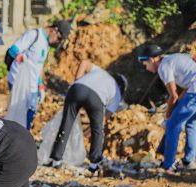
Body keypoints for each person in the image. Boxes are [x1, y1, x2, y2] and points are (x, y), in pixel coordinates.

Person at [47, 60, 127, 171]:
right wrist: (89, 132)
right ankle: (94, 163)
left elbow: (84, 62)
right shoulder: (117, 93)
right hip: (96, 98)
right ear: (122, 87)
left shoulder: (100, 71)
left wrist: (78, 80)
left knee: (66, 123)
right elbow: (102, 121)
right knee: (98, 130)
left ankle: (56, 160)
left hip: (76, 89)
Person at [138, 44, 196, 173]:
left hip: (194, 91)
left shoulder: (163, 67)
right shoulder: (172, 58)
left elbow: (173, 95)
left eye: (145, 64)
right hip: (193, 89)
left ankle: (168, 165)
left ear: (152, 60)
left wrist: (168, 117)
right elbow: (186, 88)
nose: (146, 68)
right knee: (192, 123)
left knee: (172, 126)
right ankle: (188, 161)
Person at [5, 20, 72, 130]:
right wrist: (19, 56)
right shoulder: (34, 35)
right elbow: (13, 49)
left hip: (32, 86)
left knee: (30, 115)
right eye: (59, 39)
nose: (57, 42)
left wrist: (40, 86)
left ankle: (22, 140)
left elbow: (36, 67)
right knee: (18, 116)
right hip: (19, 82)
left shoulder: (46, 45)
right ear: (54, 30)